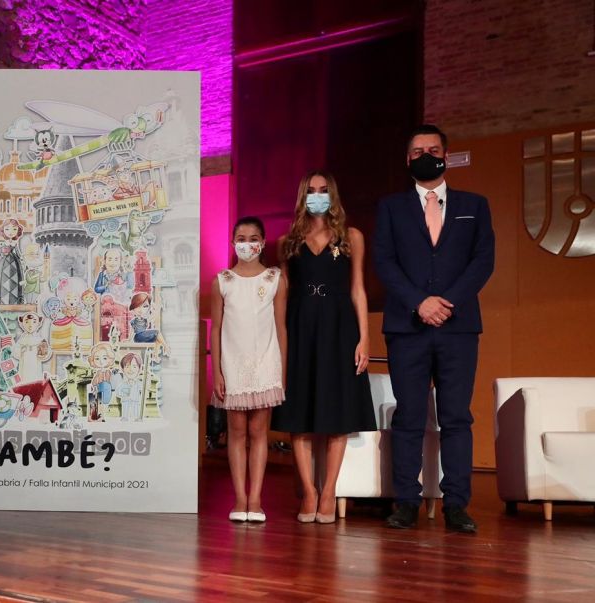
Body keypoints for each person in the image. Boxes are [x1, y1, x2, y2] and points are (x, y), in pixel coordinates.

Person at [374, 125, 494, 533]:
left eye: (434, 149)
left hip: (458, 327)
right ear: (407, 160)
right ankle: (406, 501)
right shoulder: (391, 207)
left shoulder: (475, 205)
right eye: (418, 151)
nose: (426, 155)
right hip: (407, 326)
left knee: (456, 417)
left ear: (446, 155)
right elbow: (384, 261)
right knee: (409, 416)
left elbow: (483, 261)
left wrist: (447, 303)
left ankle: (456, 505)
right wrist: (419, 303)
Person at [269, 171, 376, 524]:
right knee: (298, 411)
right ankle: (308, 492)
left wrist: (364, 337)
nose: (317, 196)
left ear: (333, 194)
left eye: (323, 190)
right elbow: (282, 296)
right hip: (300, 328)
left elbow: (357, 288)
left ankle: (328, 491)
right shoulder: (287, 242)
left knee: (337, 411)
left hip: (339, 326)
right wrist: (278, 341)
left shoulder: (351, 237)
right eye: (311, 191)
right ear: (303, 197)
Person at [209, 216, 286, 522]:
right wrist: (217, 371)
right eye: (241, 239)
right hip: (232, 365)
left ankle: (256, 499)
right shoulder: (222, 281)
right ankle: (240, 498)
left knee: (258, 432)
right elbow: (216, 329)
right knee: (237, 432)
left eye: (253, 238)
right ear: (232, 243)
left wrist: (282, 371)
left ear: (263, 242)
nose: (247, 244)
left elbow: (281, 327)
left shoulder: (274, 279)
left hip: (266, 362)